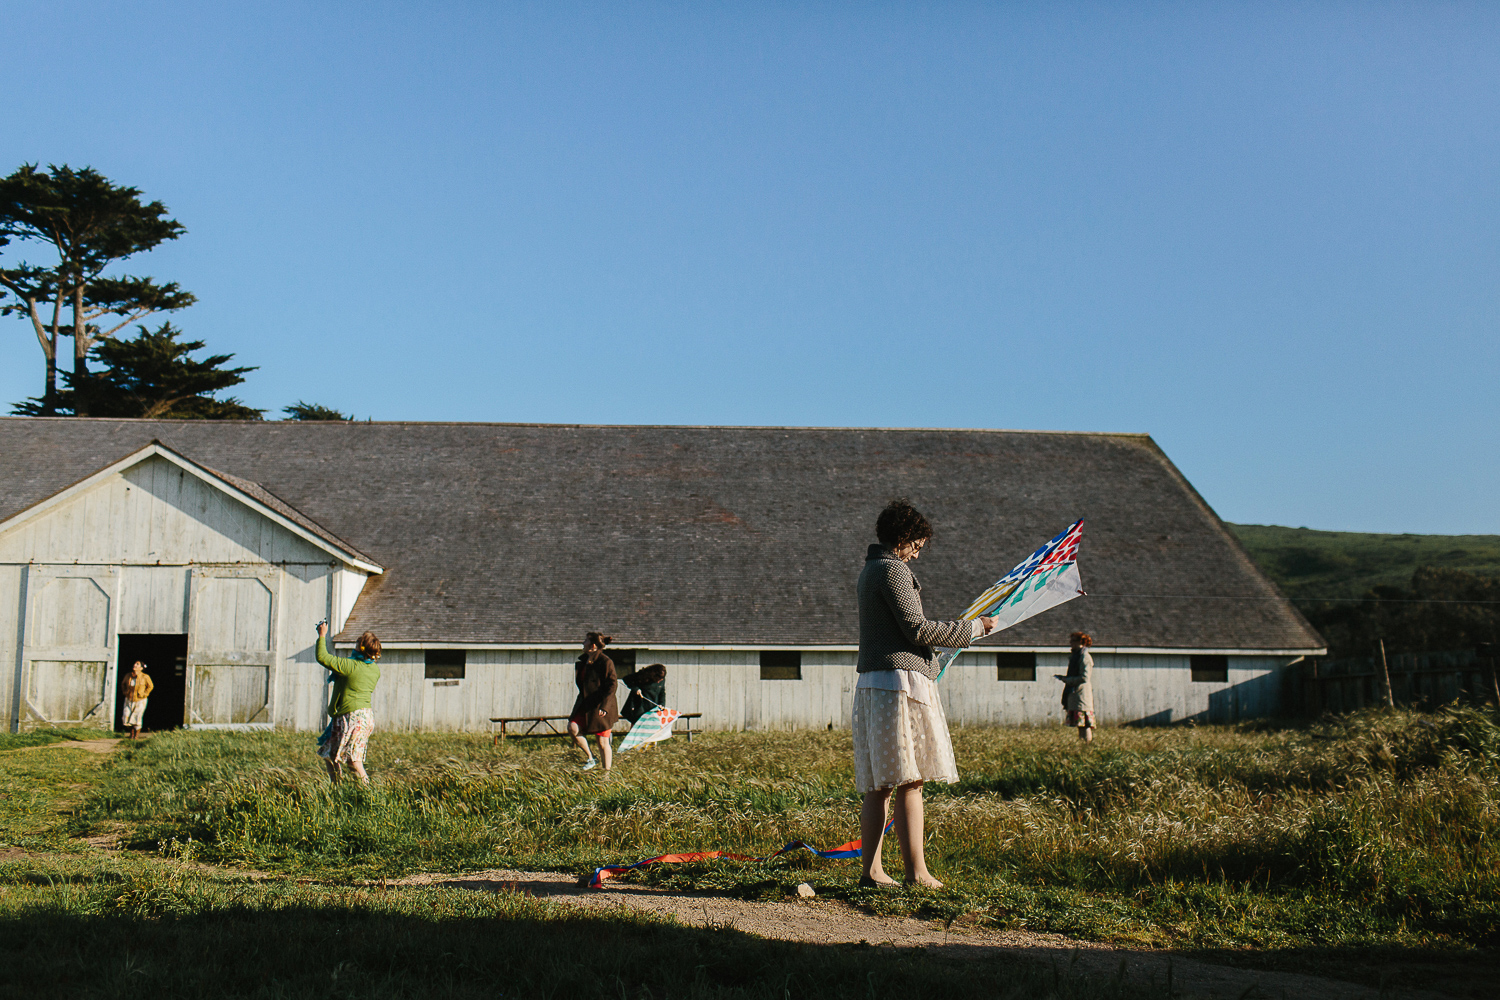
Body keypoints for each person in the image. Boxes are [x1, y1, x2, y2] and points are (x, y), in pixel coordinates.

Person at [854, 499, 996, 888]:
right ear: (902, 537)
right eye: (917, 542)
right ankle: (916, 872)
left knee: (879, 784)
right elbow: (917, 630)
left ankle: (872, 871)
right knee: (909, 780)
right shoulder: (893, 571)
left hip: (877, 683)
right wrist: (974, 629)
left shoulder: (870, 570)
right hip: (898, 685)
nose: (918, 550)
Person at [315, 621, 382, 784]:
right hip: (364, 717)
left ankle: (369, 794)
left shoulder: (351, 666)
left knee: (353, 760)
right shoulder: (374, 669)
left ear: (361, 648)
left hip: (351, 717)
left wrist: (322, 635)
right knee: (330, 754)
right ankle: (338, 789)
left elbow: (323, 657)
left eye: (357, 644)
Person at [568, 632, 619, 772]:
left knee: (602, 742)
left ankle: (606, 774)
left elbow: (612, 685)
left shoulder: (605, 661)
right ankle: (591, 758)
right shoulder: (584, 660)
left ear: (593, 646)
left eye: (585, 641)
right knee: (573, 727)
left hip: (601, 705)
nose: (582, 643)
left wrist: (604, 706)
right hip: (585, 703)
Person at [1060, 631, 1096, 743]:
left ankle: (1087, 745)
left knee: (1085, 724)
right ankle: (1082, 744)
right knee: (1079, 724)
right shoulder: (1076, 656)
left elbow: (1085, 677)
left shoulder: (1085, 657)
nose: (1071, 643)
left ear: (1080, 642)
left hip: (1081, 695)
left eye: (1073, 641)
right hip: (1075, 695)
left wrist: (1068, 680)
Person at [119, 661, 153, 740]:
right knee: (126, 716)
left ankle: (136, 736)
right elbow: (123, 684)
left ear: (141, 668)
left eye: (137, 664)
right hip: (129, 699)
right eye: (135, 664)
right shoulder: (128, 676)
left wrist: (145, 694)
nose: (135, 665)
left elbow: (150, 686)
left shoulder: (145, 677)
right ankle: (131, 734)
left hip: (140, 700)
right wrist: (125, 692)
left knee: (137, 717)